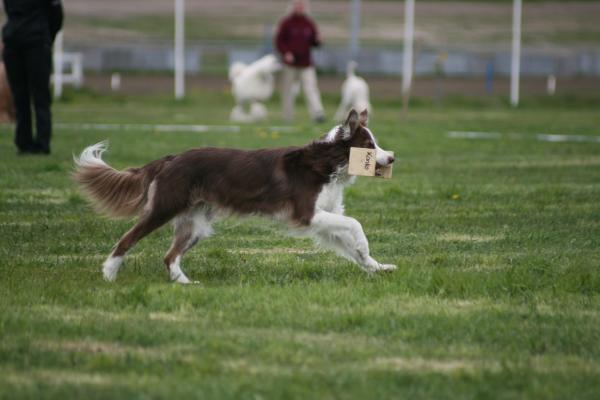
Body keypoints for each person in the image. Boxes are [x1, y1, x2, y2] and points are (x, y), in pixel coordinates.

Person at [2, 0, 63, 155]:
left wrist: (46, 36)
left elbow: (56, 14)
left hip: (37, 42)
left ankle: (42, 145)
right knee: (19, 96)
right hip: (14, 42)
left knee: (40, 96)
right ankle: (24, 144)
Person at [275, 0, 325, 123]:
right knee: (288, 91)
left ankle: (317, 114)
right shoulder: (286, 23)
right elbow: (279, 41)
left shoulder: (309, 23)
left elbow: (314, 42)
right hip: (290, 64)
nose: (299, 7)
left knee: (311, 88)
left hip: (306, 63)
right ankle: (287, 116)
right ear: (292, 6)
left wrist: (318, 41)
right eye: (297, 5)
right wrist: (286, 53)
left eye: (301, 5)